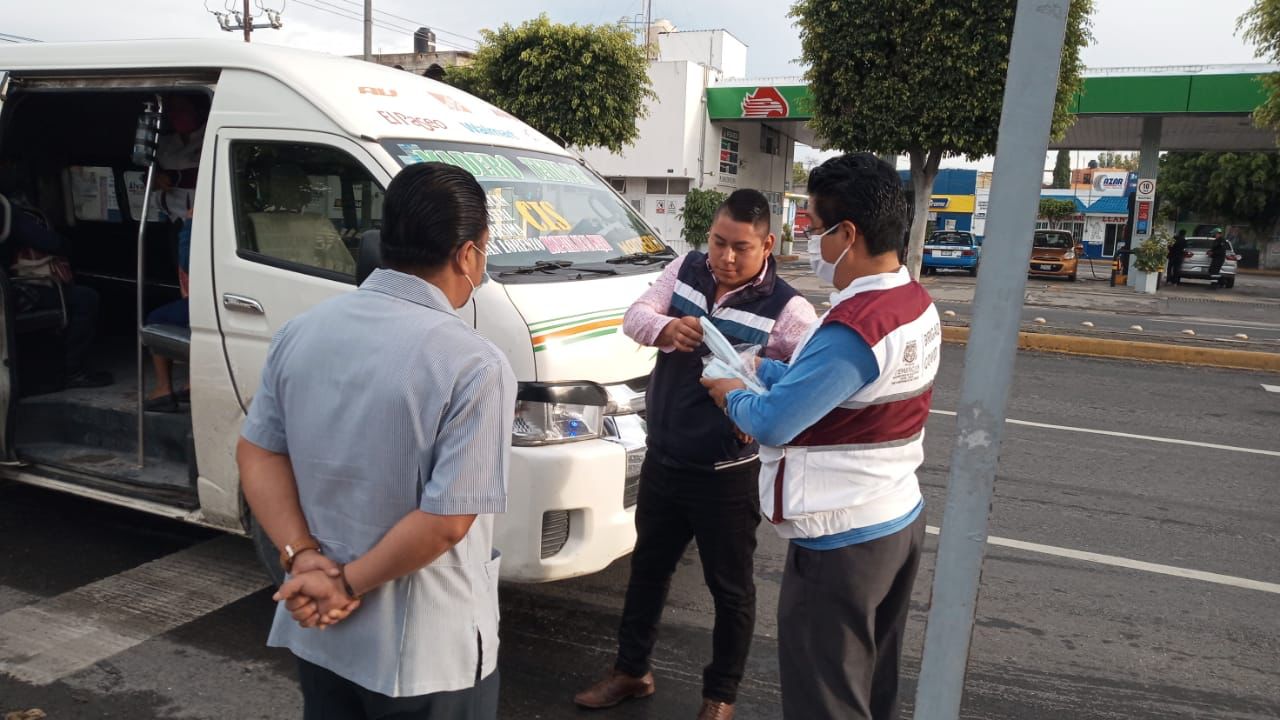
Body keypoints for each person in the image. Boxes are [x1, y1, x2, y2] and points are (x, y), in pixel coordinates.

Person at [237, 162, 515, 720]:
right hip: (425, 655)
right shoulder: (473, 362)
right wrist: (345, 584)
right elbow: (446, 521)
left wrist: (304, 560)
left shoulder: (302, 330)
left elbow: (258, 451)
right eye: (484, 253)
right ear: (467, 254)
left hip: (320, 631)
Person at [703, 154, 941, 720]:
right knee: (869, 685)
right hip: (895, 518)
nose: (810, 241)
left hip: (844, 541)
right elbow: (841, 392)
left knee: (827, 701)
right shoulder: (909, 303)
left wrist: (730, 391)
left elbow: (774, 423)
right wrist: (770, 373)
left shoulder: (857, 325)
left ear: (848, 234)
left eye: (813, 227)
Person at [574, 190, 816, 720]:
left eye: (741, 248)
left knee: (730, 592)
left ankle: (720, 697)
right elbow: (634, 315)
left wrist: (760, 412)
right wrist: (664, 327)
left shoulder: (790, 309)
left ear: (768, 244)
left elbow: (805, 386)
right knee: (647, 572)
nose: (725, 259)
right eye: (718, 243)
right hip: (664, 460)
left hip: (725, 475)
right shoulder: (685, 269)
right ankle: (631, 671)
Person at [1, 175, 112, 389]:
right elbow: (48, 242)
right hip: (15, 289)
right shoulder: (7, 208)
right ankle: (73, 370)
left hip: (9, 285)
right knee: (86, 299)